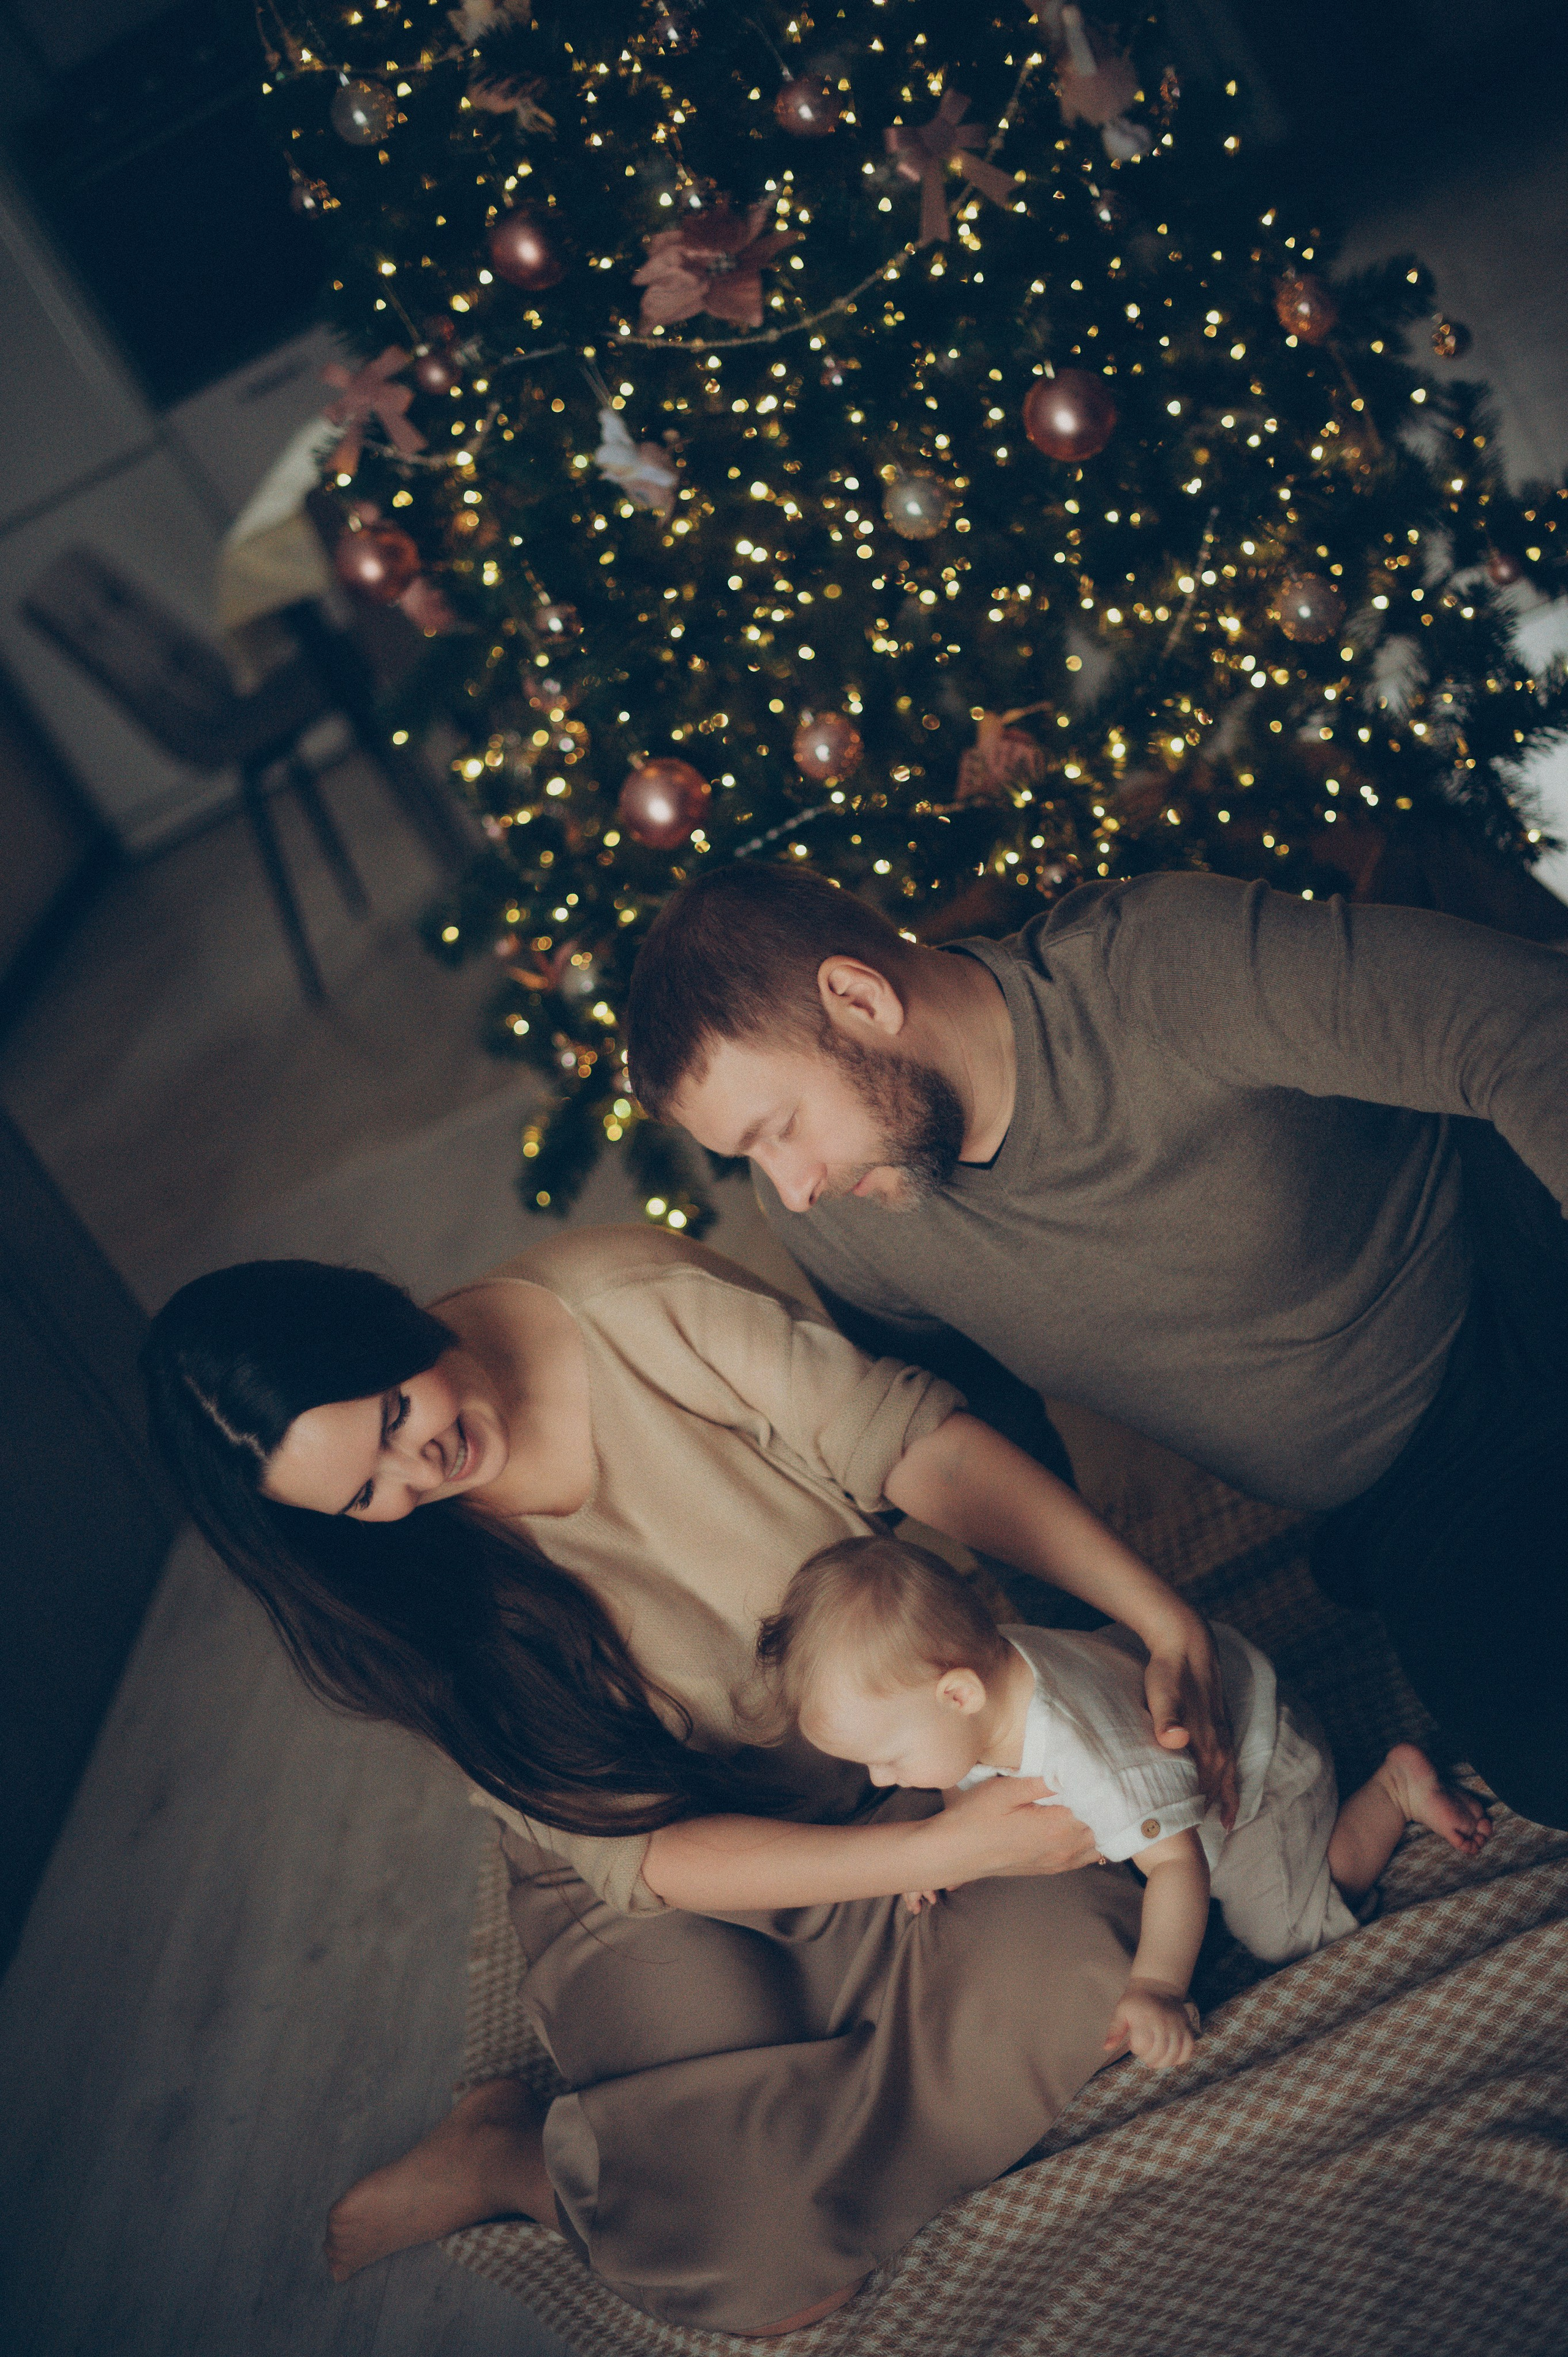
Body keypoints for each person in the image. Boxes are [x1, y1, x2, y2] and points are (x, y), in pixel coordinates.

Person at [144, 1223, 1235, 2337]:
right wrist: (945, 1855)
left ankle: (795, 2109)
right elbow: (645, 1853)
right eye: (360, 1495)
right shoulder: (390, 1583)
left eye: (391, 1417)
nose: (415, 1475)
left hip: (892, 1754)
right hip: (679, 1862)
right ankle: (517, 2160)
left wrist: (1156, 1613)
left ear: (381, 1320)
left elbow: (923, 1450)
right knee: (772, 2275)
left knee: (1110, 1938)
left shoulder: (628, 1300)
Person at [625, 861, 1568, 1828]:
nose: (791, 1186)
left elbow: (1527, 1019)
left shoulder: (1156, 967)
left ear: (860, 997)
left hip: (1526, 1265)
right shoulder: (841, 1223)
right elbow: (977, 1436)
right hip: (1422, 1482)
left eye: (781, 1129)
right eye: (753, 1157)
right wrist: (1085, 1664)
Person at [760, 1535, 1493, 2070]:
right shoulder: (985, 1668)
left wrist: (1156, 1987)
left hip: (1259, 1767)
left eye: (888, 1757)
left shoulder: (1084, 1758)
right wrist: (951, 1836)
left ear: (958, 1694)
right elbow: (965, 1769)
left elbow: (1176, 1865)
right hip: (1203, 1696)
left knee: (1282, 1929)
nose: (884, 1779)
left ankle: (1393, 1788)